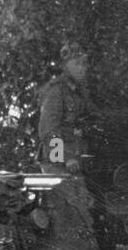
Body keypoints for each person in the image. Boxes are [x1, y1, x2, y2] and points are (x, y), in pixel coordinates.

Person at [37, 43, 98, 174]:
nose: (82, 68)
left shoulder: (79, 92)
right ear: (65, 66)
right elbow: (48, 130)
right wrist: (66, 158)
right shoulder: (56, 91)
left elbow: (97, 116)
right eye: (77, 63)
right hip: (56, 162)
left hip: (73, 161)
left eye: (84, 64)